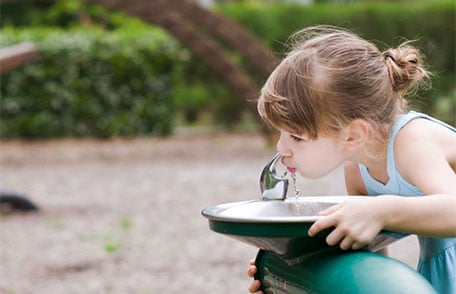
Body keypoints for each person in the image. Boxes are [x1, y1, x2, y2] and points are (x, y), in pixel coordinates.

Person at [247, 25, 456, 294]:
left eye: (296, 137)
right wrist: (288, 271)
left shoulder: (412, 141)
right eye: (281, 134)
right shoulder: (357, 168)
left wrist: (382, 210)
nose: (281, 148)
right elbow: (373, 260)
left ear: (353, 135)